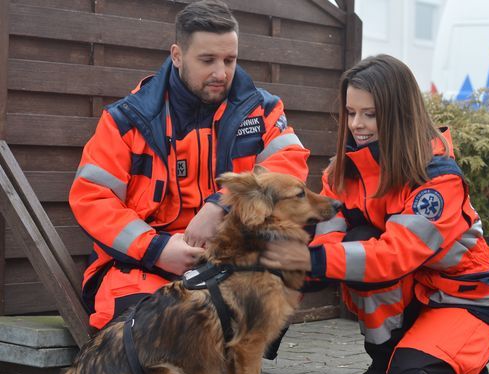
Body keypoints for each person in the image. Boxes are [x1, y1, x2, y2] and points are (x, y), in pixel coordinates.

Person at [260, 54, 489, 374]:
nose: (357, 124)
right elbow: (325, 243)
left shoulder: (438, 180)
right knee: (354, 241)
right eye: (351, 113)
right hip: (410, 297)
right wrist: (272, 292)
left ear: (399, 114)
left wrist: (306, 261)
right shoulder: (343, 174)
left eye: (370, 114)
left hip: (461, 299)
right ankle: (385, 359)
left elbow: (394, 256)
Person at [69, 0, 309, 332]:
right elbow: (92, 199)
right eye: (207, 60)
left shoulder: (262, 110)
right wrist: (157, 248)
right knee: (144, 337)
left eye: (230, 60)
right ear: (177, 56)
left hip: (225, 258)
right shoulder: (126, 120)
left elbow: (290, 166)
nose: (221, 73)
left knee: (282, 268)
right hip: (143, 264)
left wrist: (222, 204)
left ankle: (227, 352)